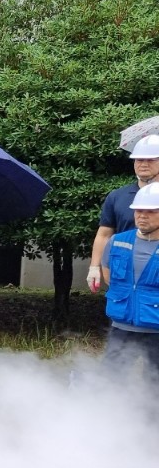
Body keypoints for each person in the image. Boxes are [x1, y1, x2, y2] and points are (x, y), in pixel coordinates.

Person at [100, 182, 159, 370]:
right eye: (138, 210)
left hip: (156, 329)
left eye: (151, 211)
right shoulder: (117, 241)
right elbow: (109, 276)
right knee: (112, 381)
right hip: (122, 326)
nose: (142, 216)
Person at [89, 134, 159, 292]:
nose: (143, 164)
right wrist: (94, 267)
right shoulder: (117, 196)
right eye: (139, 159)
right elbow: (104, 234)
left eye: (151, 159)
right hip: (123, 271)